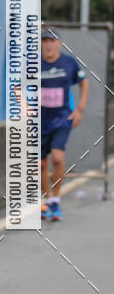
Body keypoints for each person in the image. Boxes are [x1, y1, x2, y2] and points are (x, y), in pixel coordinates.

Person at [40, 26, 88, 221]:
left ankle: (56, 200)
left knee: (58, 158)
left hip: (62, 119)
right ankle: (47, 200)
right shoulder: (33, 64)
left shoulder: (69, 63)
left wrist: (79, 108)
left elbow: (83, 82)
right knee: (39, 164)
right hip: (39, 122)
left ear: (59, 43)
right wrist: (24, 106)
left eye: (52, 41)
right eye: (45, 41)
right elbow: (18, 86)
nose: (48, 44)